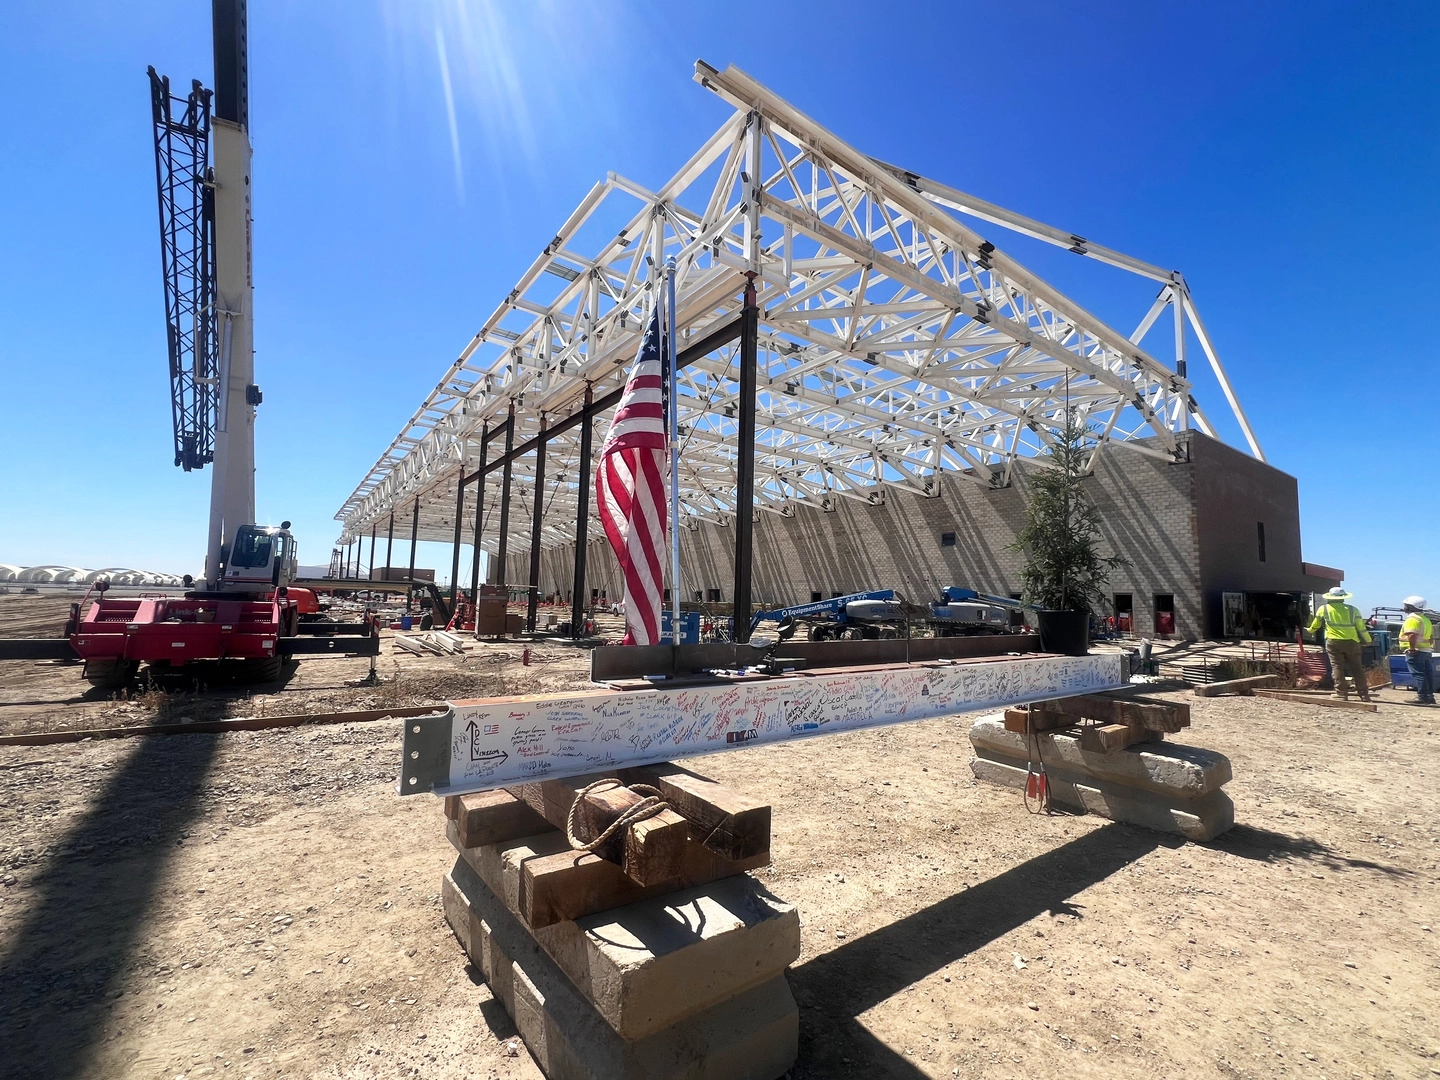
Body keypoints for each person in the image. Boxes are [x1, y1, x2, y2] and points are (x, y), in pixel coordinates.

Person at [1307, 587, 1373, 702]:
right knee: (1357, 668)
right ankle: (1364, 694)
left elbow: (1315, 625)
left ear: (1330, 597)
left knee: (1337, 667)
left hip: (1333, 642)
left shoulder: (1324, 609)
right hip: (1352, 642)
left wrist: (1309, 630)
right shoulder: (1353, 610)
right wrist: (1368, 640)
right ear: (1343, 598)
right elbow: (1361, 628)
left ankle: (1341, 694)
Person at [1399, 596, 1435, 706]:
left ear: (1411, 606)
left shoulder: (1412, 619)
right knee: (1427, 674)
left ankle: (1422, 697)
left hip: (1416, 651)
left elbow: (1412, 635)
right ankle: (1429, 697)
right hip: (1426, 650)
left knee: (1419, 674)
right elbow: (1431, 637)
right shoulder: (1425, 619)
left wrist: (1412, 648)